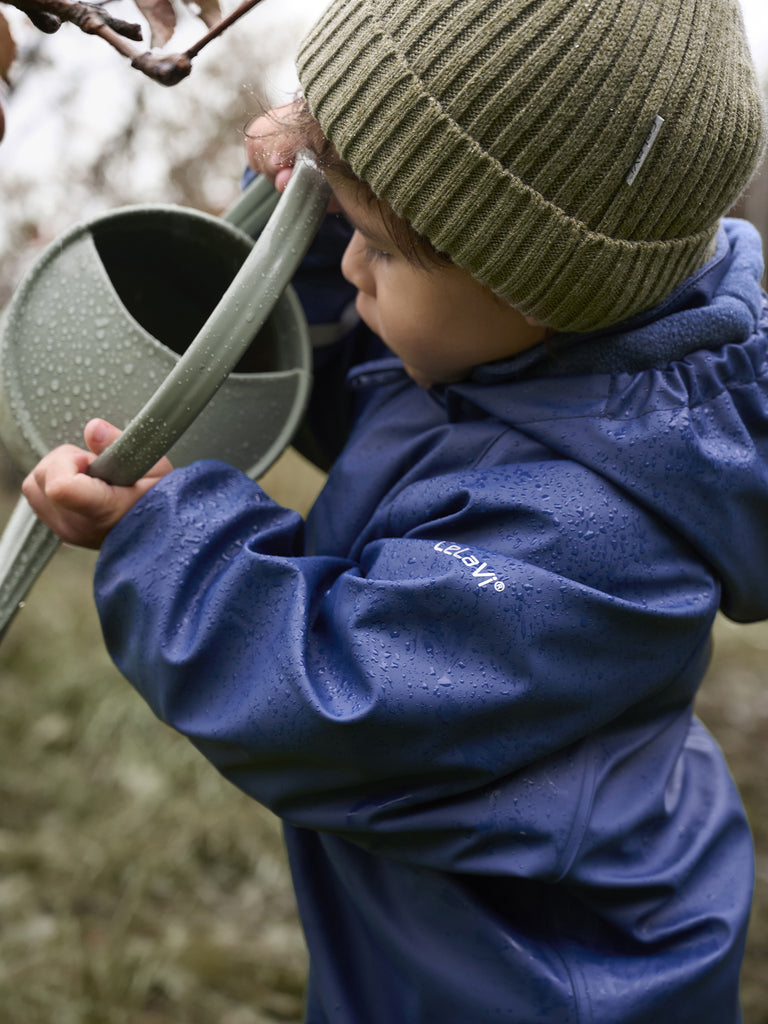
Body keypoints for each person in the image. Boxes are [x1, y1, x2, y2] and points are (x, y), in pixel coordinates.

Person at [21, 0, 768, 1020]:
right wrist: (315, 195)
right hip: (423, 940)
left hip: (547, 980)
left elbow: (340, 696)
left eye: (371, 241)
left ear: (535, 278)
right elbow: (358, 390)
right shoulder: (510, 353)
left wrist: (164, 536)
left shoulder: (595, 539)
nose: (354, 270)